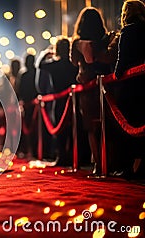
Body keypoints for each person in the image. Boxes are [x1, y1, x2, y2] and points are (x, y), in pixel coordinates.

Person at [71, 7, 118, 176]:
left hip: (88, 88)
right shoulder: (105, 39)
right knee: (108, 125)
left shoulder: (77, 42)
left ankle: (98, 163)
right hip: (107, 86)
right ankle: (109, 163)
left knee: (91, 128)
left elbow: (74, 62)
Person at [113, 0, 145, 179]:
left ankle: (132, 167)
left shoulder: (127, 31)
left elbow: (121, 63)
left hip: (131, 87)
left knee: (130, 127)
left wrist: (117, 74)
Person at [40, 37, 78, 166]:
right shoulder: (73, 63)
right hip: (73, 97)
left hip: (59, 99)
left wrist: (47, 53)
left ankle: (61, 156)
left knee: (59, 129)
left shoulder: (54, 64)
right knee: (73, 129)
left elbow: (40, 65)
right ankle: (74, 156)